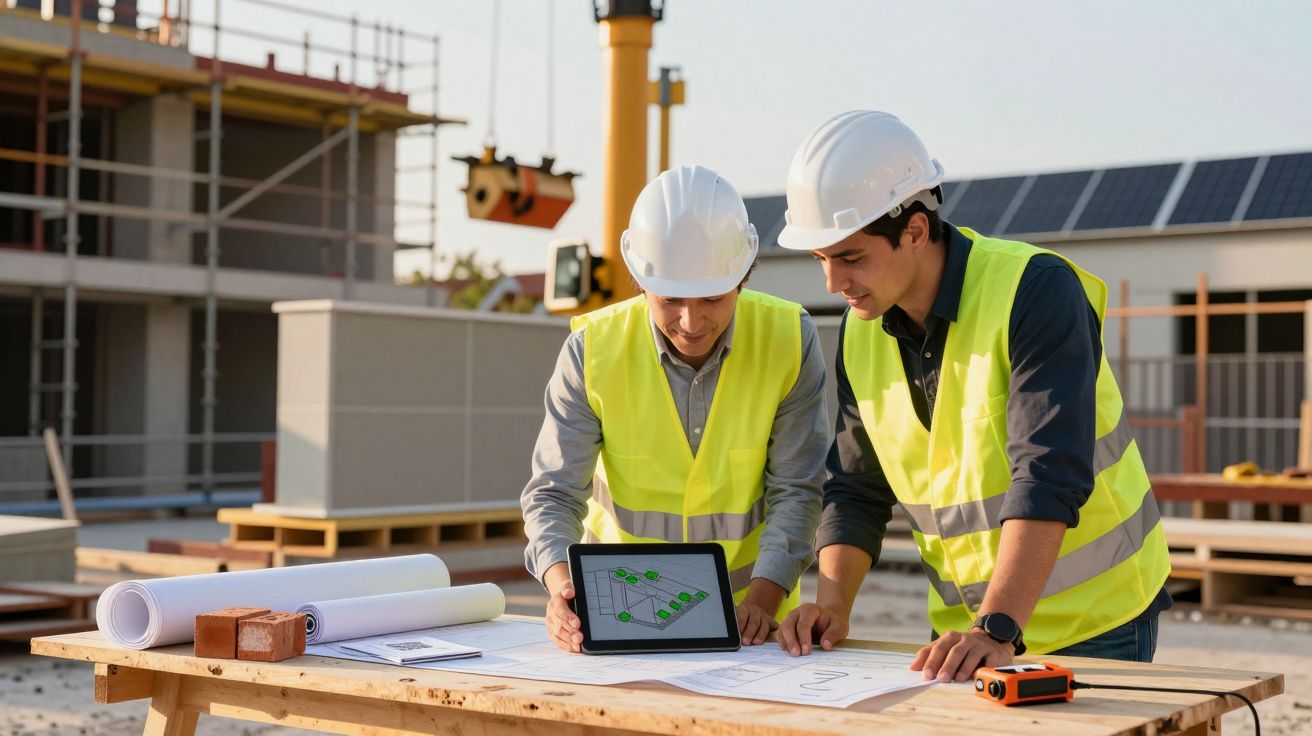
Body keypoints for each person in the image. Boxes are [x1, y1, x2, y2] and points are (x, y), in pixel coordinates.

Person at [772, 111, 1171, 681]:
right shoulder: (863, 330)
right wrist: (833, 605)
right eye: (822, 260)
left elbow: (1048, 472)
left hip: (1094, 623)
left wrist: (998, 626)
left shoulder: (1034, 290)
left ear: (914, 229)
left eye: (851, 257)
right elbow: (857, 487)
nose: (833, 283)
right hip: (968, 633)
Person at [522, 165, 830, 652]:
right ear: (639, 280)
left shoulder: (789, 338)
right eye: (669, 300)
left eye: (711, 297)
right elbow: (554, 494)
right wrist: (563, 590)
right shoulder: (591, 350)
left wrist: (764, 603)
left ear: (744, 276)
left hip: (750, 626)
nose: (691, 322)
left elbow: (798, 490)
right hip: (612, 619)